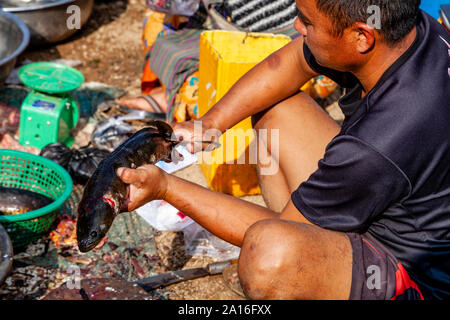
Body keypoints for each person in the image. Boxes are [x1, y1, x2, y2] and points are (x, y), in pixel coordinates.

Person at [116, 0, 450, 300]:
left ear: (361, 37)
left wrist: (165, 187)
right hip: (398, 198)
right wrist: (210, 123)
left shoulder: (378, 143)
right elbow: (288, 63)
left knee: (268, 257)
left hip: (417, 276)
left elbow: (271, 237)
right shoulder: (409, 29)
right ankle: (314, 240)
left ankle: (309, 271)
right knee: (274, 109)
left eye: (308, 22)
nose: (296, 27)